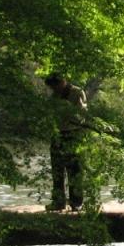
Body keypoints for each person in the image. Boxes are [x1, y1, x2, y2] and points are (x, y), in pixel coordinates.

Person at [45, 74, 87, 211]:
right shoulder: (54, 96)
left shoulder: (77, 92)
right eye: (52, 87)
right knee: (57, 170)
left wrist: (66, 107)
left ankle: (76, 203)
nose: (54, 89)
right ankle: (58, 202)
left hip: (73, 134)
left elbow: (81, 115)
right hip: (57, 134)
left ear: (62, 82)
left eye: (55, 86)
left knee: (74, 170)